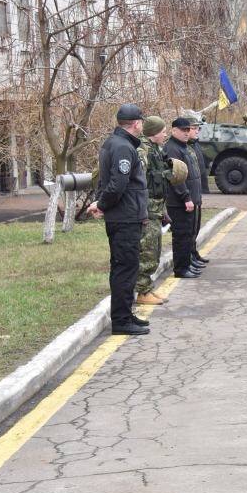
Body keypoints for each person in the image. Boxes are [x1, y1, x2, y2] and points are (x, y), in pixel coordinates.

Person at [85, 104, 150, 336]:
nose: (142, 125)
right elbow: (117, 185)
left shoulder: (114, 143)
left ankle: (125, 313)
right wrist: (102, 204)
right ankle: (122, 321)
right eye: (141, 121)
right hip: (125, 218)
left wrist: (100, 203)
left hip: (123, 216)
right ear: (136, 124)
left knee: (124, 268)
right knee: (125, 269)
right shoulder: (123, 147)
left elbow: (106, 182)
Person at [134, 116, 174, 307]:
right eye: (162, 130)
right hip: (147, 211)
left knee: (154, 251)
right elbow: (138, 184)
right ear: (153, 133)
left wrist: (163, 209)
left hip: (156, 209)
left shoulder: (156, 151)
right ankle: (142, 292)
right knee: (147, 253)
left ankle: (147, 288)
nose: (165, 133)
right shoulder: (142, 152)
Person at [163, 118, 202, 279]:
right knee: (181, 235)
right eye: (183, 130)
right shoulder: (172, 149)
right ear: (174, 131)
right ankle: (181, 268)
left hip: (188, 199)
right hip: (178, 202)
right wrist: (185, 196)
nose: (187, 133)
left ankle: (187, 263)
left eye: (188, 130)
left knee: (187, 234)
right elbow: (175, 177)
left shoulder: (184, 147)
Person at [187, 121, 211, 265]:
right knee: (189, 229)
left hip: (197, 192)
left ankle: (194, 253)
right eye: (194, 129)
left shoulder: (194, 144)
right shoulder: (185, 147)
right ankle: (189, 256)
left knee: (195, 227)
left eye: (198, 128)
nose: (197, 131)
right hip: (189, 193)